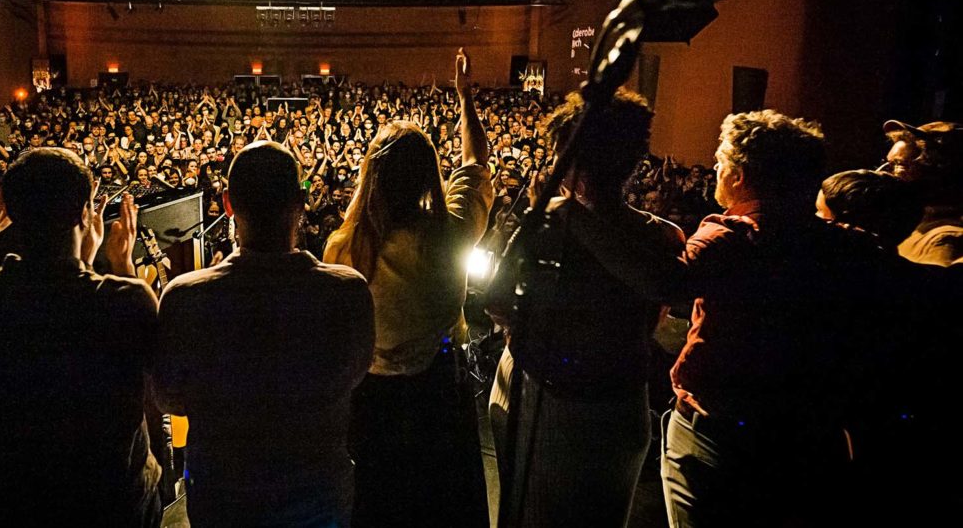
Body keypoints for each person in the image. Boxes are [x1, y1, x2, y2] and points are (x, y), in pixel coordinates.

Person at [563, 110, 916, 526]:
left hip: (719, 434)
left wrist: (576, 217)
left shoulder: (731, 237)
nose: (714, 168)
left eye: (721, 161)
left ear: (741, 176)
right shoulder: (848, 245)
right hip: (805, 437)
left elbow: (665, 283)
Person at [489, 89, 684, 528]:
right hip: (623, 406)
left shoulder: (549, 224)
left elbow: (495, 300)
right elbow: (661, 299)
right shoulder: (663, 238)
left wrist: (566, 216)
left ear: (573, 164)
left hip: (544, 398)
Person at [155, 141, 374, 527]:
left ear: (227, 203)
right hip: (317, 494)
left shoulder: (185, 297)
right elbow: (354, 377)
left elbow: (168, 398)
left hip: (222, 496)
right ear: (302, 202)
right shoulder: (347, 292)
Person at [0, 148, 163, 527]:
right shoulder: (124, 299)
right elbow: (162, 381)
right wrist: (122, 265)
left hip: (18, 500)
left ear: (10, 214)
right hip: (112, 502)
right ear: (84, 212)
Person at [324, 49, 492, 528]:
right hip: (440, 390)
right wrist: (465, 99)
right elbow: (477, 162)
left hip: (372, 401)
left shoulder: (344, 248)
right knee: (441, 501)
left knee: (380, 503)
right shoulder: (451, 231)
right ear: (427, 176)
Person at [881, 120, 963, 265]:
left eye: (900, 164)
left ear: (938, 172)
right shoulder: (908, 226)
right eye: (889, 164)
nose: (883, 172)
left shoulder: (944, 240)